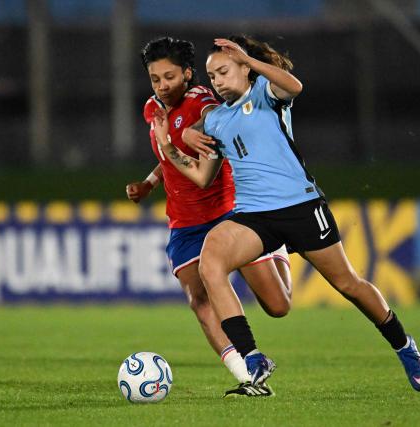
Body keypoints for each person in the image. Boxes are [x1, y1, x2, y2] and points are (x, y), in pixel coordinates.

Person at [152, 35, 420, 392]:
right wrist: (169, 145)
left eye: (224, 71)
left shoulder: (266, 94)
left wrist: (251, 63)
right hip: (254, 216)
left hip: (300, 206)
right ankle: (252, 357)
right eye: (212, 76)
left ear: (244, 68)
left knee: (349, 285)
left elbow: (294, 85)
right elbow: (203, 177)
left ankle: (403, 344)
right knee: (211, 260)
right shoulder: (218, 120)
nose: (217, 82)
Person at [126, 36, 293, 397]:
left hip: (227, 212)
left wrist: (185, 133)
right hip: (184, 222)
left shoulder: (201, 101)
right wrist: (150, 183)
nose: (162, 85)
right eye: (155, 79)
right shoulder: (152, 109)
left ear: (187, 73)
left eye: (170, 76)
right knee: (198, 299)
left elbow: (203, 132)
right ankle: (248, 373)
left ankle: (277, 247)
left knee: (278, 306)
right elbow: (168, 155)